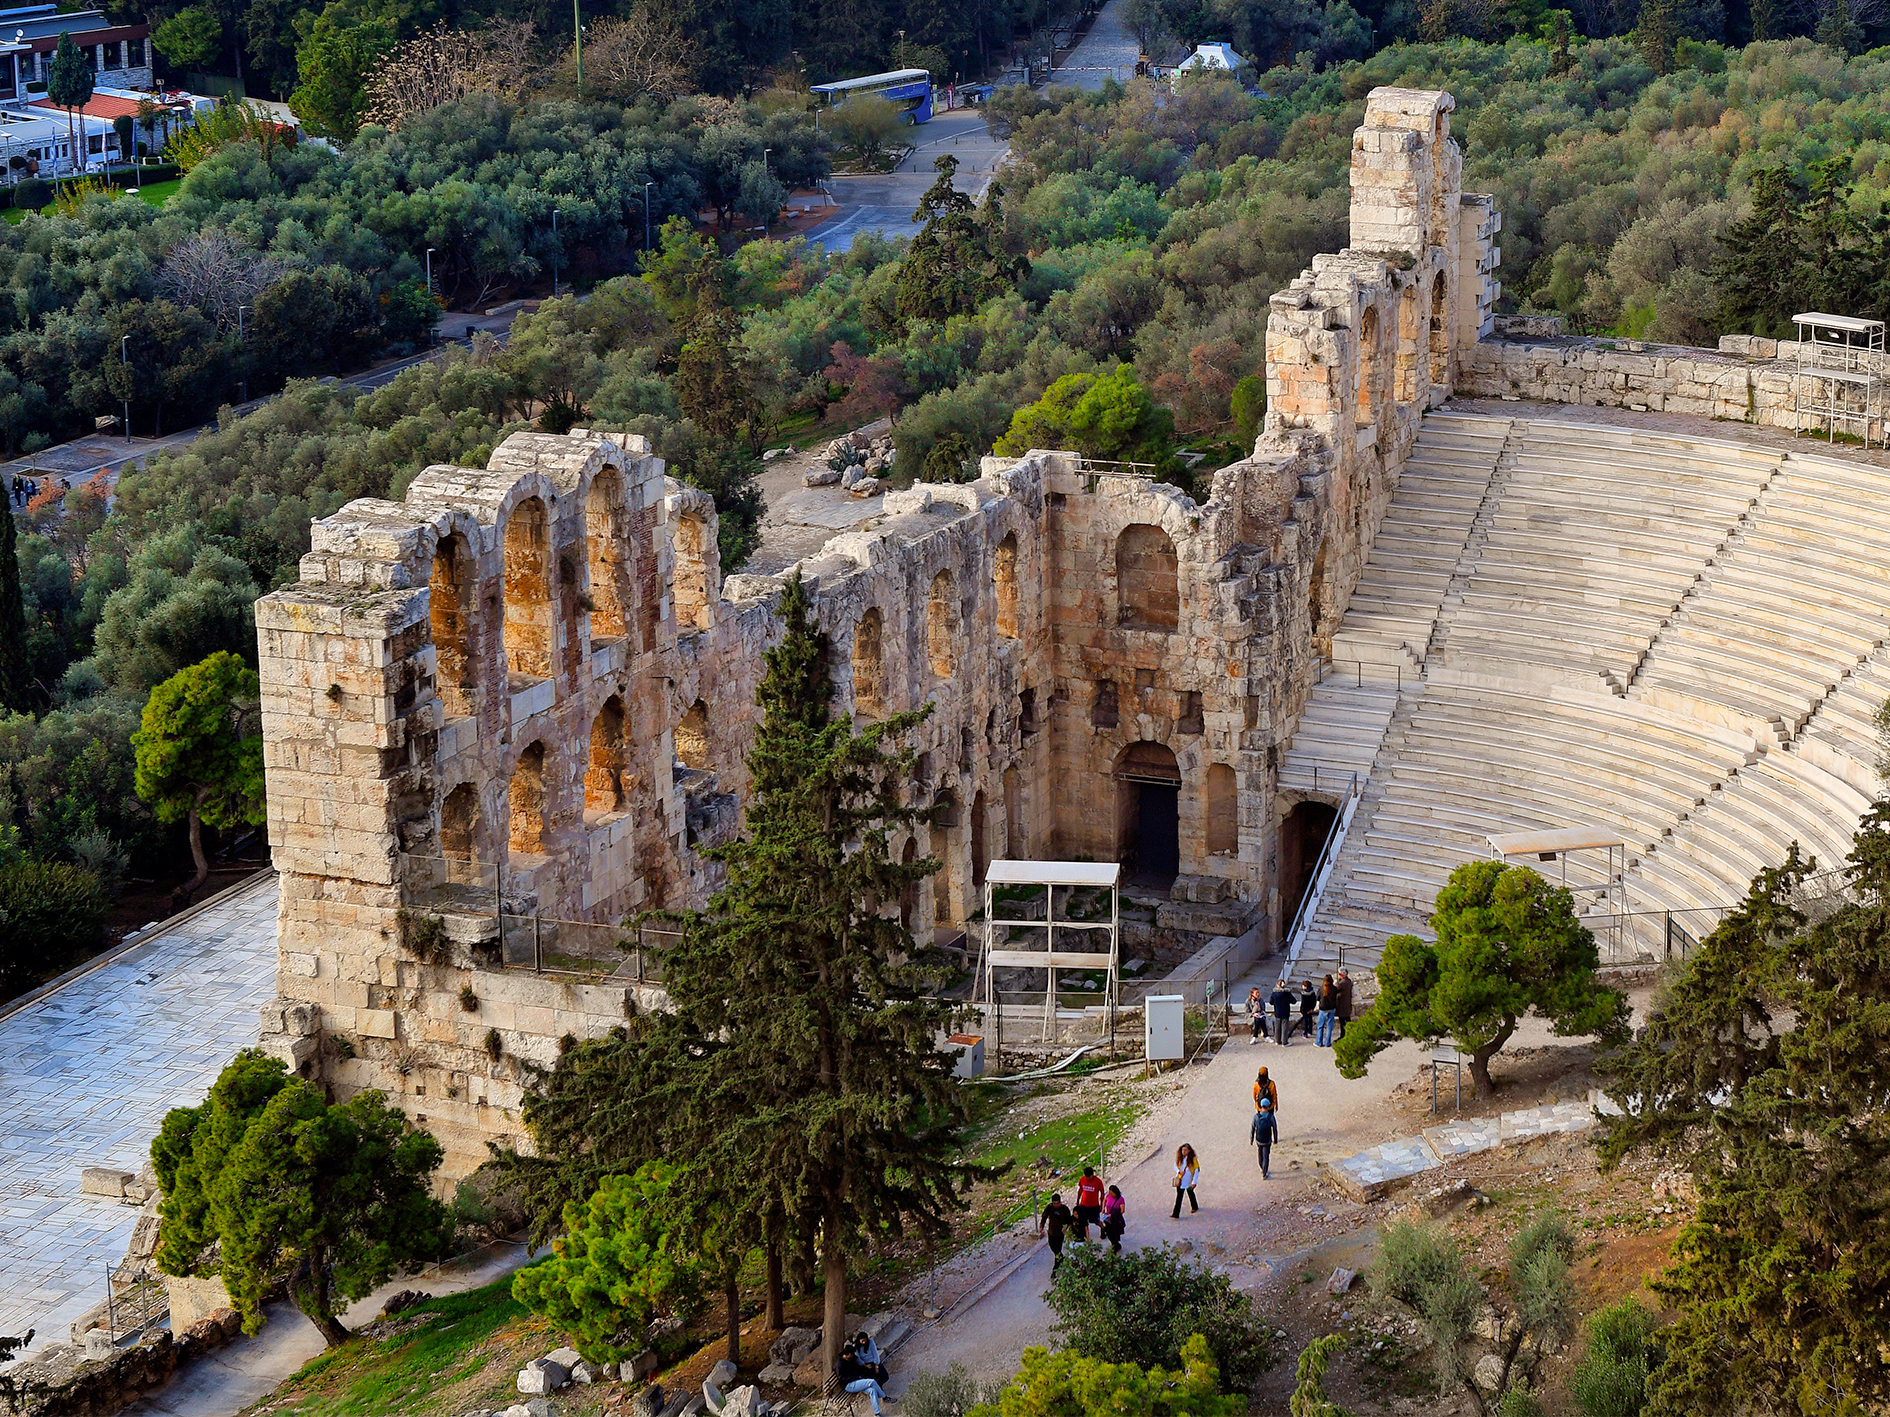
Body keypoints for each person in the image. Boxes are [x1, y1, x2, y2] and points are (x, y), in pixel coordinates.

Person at [838, 1336, 892, 1413]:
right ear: (848, 1354)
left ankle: (877, 1412)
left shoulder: (851, 1359)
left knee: (872, 1390)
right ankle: (884, 1397)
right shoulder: (840, 1365)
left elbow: (857, 1366)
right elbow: (842, 1377)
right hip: (850, 1384)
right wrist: (856, 1377)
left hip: (858, 1381)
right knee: (872, 1381)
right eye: (852, 1354)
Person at [1039, 1191, 1073, 1271]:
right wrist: (1042, 1225)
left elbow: (1069, 1220)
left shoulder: (1064, 1209)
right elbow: (1044, 1216)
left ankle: (1056, 1268)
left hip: (1060, 1234)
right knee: (1052, 1247)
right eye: (1054, 1203)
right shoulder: (1049, 1207)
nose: (1056, 1205)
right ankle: (1060, 1257)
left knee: (1057, 1250)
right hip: (1051, 1232)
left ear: (1060, 1202)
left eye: (1057, 1203)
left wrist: (1066, 1227)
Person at [1251, 1097, 1279, 1179]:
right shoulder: (1270, 1117)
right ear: (1269, 1106)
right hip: (1267, 1140)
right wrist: (1275, 1139)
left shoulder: (1256, 1116)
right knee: (1266, 1156)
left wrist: (1251, 1138)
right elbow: (1274, 1128)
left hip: (1259, 1139)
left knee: (1260, 1153)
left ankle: (1261, 1167)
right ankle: (1264, 1172)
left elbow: (1252, 1128)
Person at [1171, 1143, 1200, 1218]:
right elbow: (1175, 1165)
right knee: (1179, 1197)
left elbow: (1196, 1170)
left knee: (1190, 1193)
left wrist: (1194, 1182)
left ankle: (1194, 1206)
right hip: (1181, 1180)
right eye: (1182, 1150)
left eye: (1185, 1150)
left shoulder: (1193, 1159)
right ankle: (1176, 1213)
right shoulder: (1180, 1158)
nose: (1183, 1151)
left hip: (1189, 1181)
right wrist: (1178, 1171)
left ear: (1189, 1151)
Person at [1074, 1165, 1104, 1235]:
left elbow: (1102, 1193)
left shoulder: (1098, 1181)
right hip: (1083, 1205)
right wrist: (1077, 1201)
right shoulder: (1082, 1179)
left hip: (1094, 1206)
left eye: (1089, 1176)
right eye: (1087, 1176)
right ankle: (1084, 1233)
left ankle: (1103, 1228)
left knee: (1096, 1221)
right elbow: (1080, 1190)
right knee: (1082, 1220)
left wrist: (1101, 1205)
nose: (1088, 1178)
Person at [1268, 978, 1295, 1045]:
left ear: (1278, 985)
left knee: (1277, 1027)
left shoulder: (1274, 993)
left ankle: (1277, 1041)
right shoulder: (1287, 993)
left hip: (1277, 1012)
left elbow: (1271, 1002)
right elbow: (1294, 1001)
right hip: (1285, 1012)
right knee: (1284, 1028)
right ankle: (1284, 1042)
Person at [1101, 1184, 1126, 1252]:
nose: (1110, 1194)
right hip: (1108, 1218)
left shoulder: (1120, 1199)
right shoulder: (1108, 1196)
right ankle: (1114, 1244)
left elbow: (1122, 1210)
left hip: (1115, 1219)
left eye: (1112, 1193)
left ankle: (1116, 1244)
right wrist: (1103, 1208)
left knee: (1114, 1233)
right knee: (1109, 1233)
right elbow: (1104, 1200)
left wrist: (1113, 1214)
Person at [1317, 973, 1339, 1047]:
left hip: (1323, 1009)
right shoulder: (1335, 989)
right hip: (1332, 1008)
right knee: (1329, 1026)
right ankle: (1327, 1043)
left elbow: (1317, 998)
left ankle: (1319, 1042)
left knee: (1320, 1026)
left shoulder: (1321, 989)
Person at [1336, 969, 1354, 1040]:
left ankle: (1343, 1036)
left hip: (1342, 1005)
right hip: (1348, 1004)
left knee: (1342, 1021)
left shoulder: (1342, 983)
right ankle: (1351, 1033)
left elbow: (1336, 990)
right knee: (1348, 1020)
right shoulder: (1349, 981)